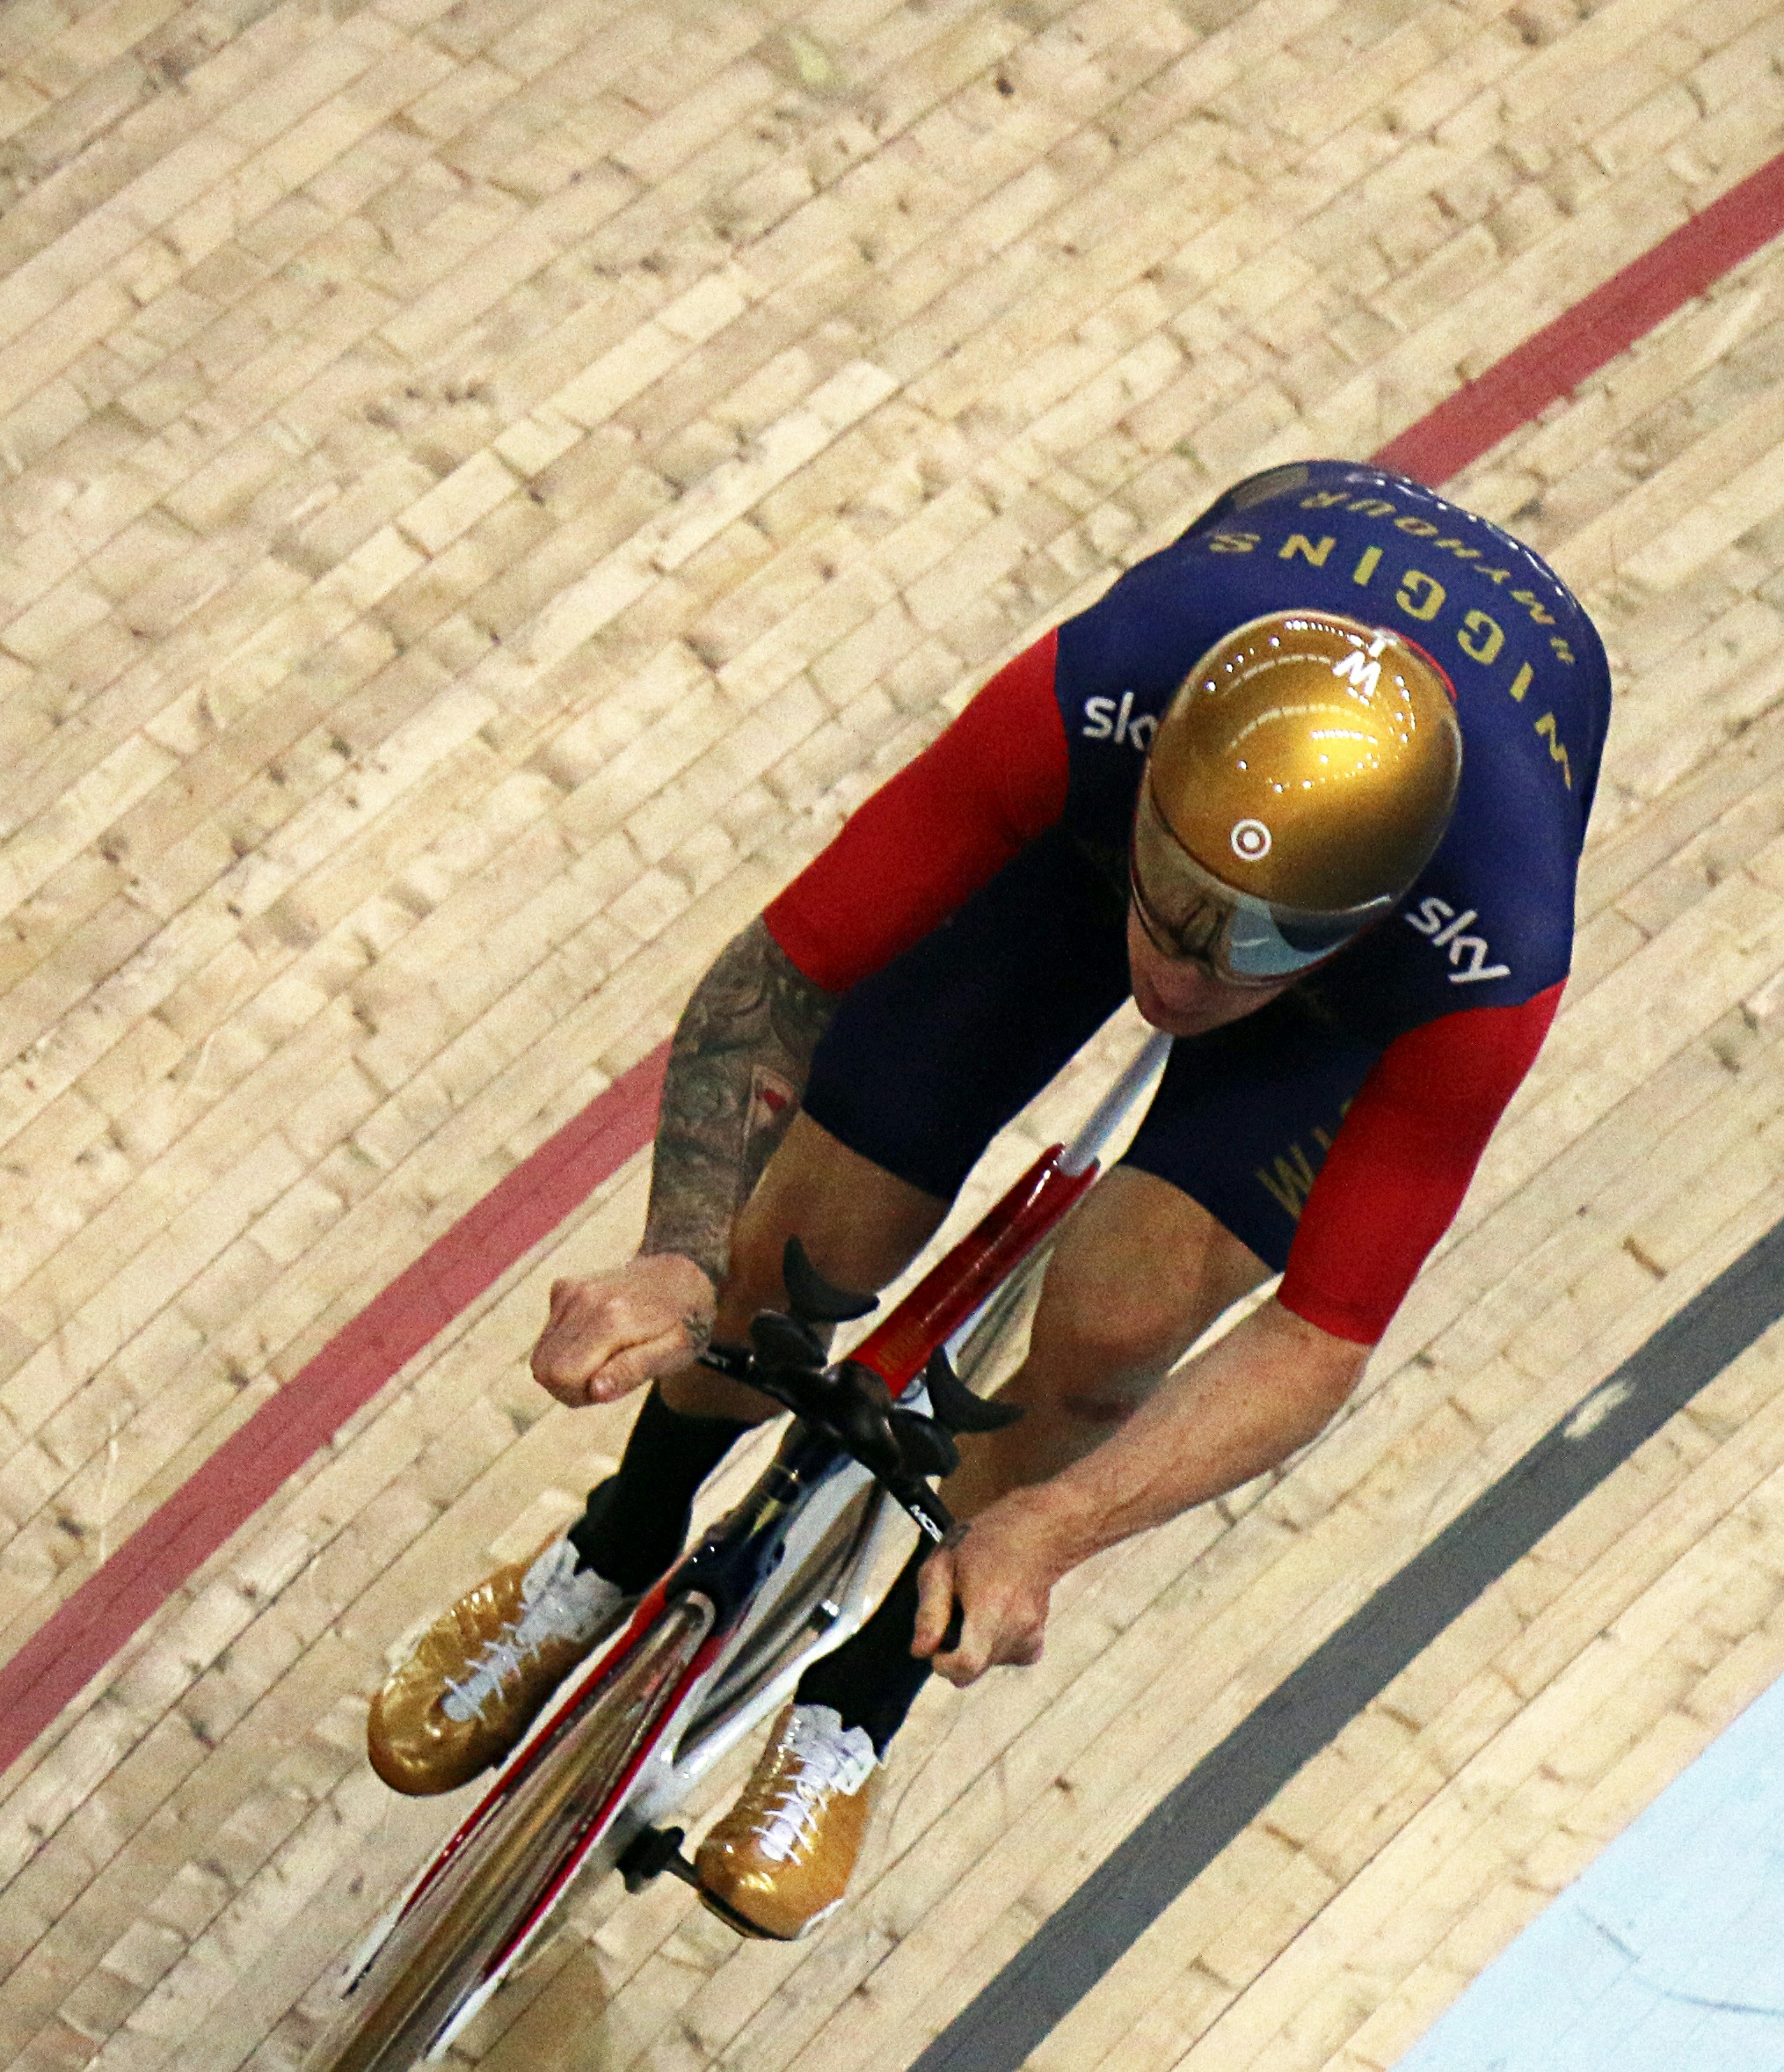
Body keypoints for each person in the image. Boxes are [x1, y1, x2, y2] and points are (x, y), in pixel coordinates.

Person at [368, 458, 1612, 1937]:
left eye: (1248, 951)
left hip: (1339, 1005)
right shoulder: (1094, 693)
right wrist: (677, 1261)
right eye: (1180, 898)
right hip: (1094, 842)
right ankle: (616, 1537)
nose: (1180, 973)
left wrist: (1060, 1527)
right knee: (802, 1246)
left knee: (1120, 1321)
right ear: (1154, 780)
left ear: (1368, 922)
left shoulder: (1490, 954)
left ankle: (860, 1705)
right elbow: (778, 983)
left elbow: (1322, 1339)